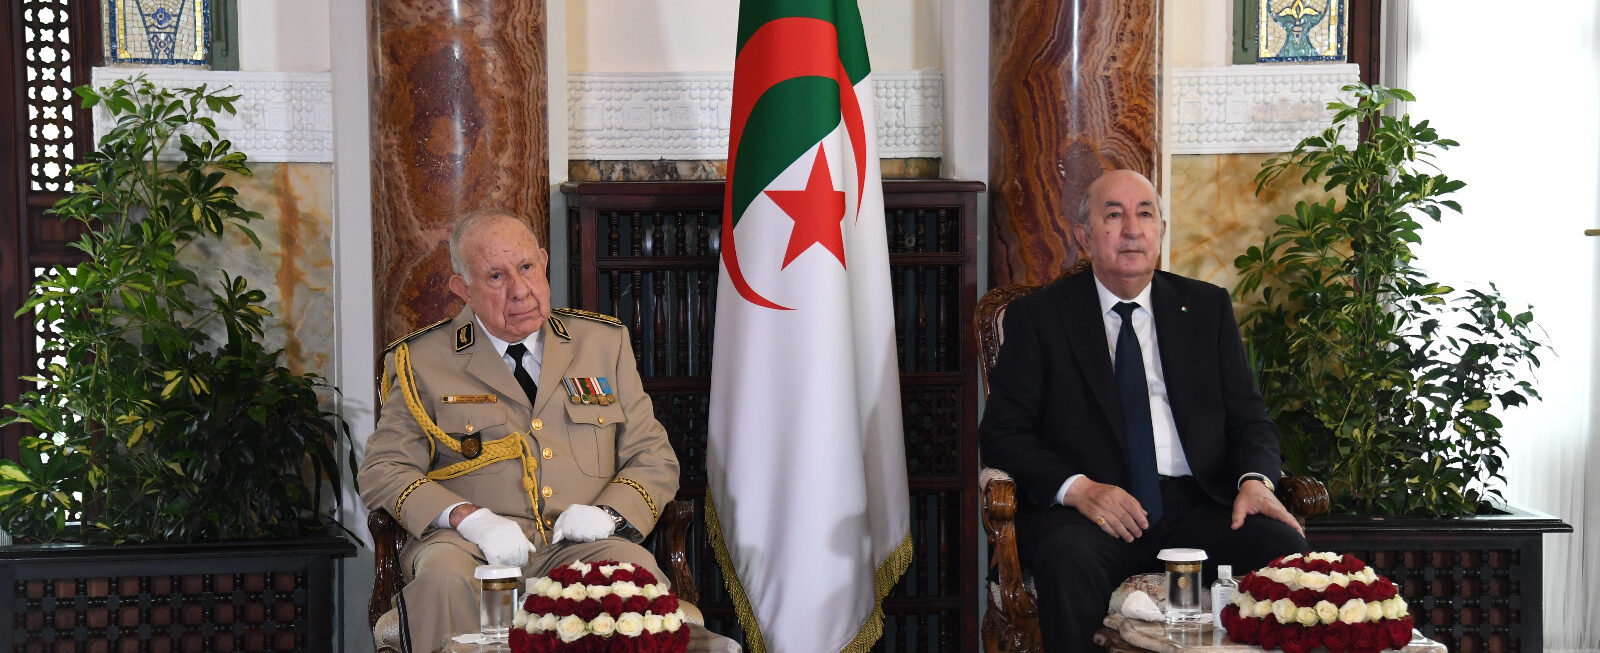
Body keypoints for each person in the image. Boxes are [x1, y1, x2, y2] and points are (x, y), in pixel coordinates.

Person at [978, 170, 1309, 651]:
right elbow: (1003, 433)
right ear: (1085, 236)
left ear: (1161, 230)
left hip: (1198, 503)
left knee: (1283, 548)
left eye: (1145, 214)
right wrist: (1079, 489)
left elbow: (1249, 419)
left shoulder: (1205, 307)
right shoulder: (1040, 317)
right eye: (1114, 215)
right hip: (1093, 515)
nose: (1132, 229)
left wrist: (1255, 480)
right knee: (1066, 558)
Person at [359, 209, 680, 650]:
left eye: (527, 267)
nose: (520, 289)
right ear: (463, 289)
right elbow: (383, 470)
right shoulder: (423, 360)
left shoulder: (603, 343)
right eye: (496, 276)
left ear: (543, 262)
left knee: (631, 573)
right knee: (443, 577)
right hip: (468, 549)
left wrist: (608, 513)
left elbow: (653, 457)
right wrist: (469, 519)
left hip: (578, 542)